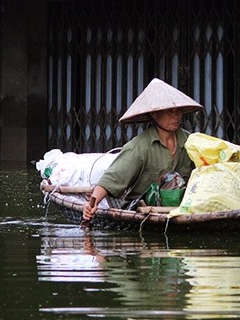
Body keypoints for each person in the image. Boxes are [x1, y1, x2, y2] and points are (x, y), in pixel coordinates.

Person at [82, 78, 204, 221]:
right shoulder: (139, 147)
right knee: (173, 179)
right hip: (140, 208)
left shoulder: (191, 142)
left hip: (182, 207)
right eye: (170, 111)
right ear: (154, 114)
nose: (176, 116)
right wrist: (92, 204)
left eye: (178, 111)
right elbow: (111, 180)